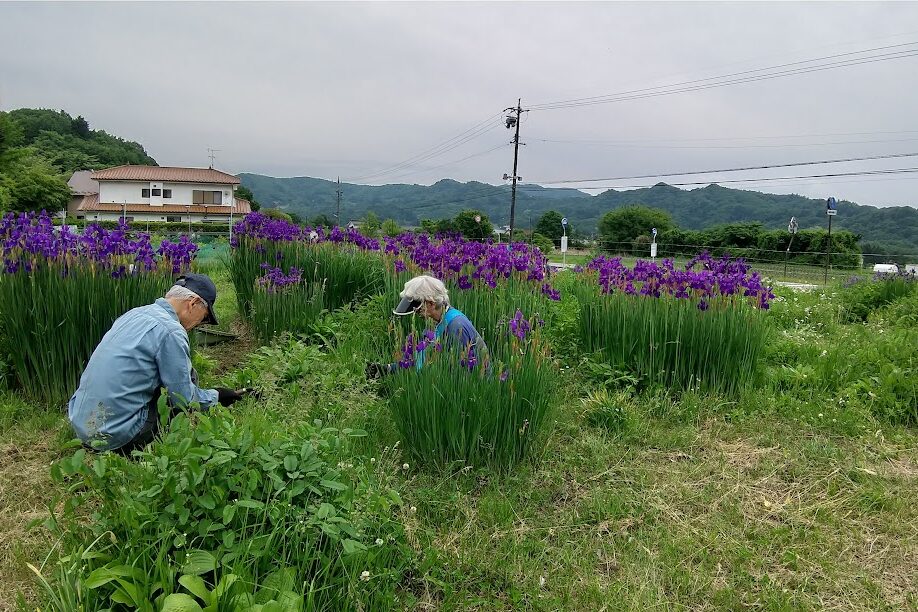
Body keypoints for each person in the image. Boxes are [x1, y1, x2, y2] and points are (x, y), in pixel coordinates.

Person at [68, 273, 249, 454]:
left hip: (83, 427)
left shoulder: (133, 314)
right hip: (115, 436)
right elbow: (183, 398)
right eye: (205, 318)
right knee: (181, 390)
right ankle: (150, 450)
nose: (200, 324)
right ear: (193, 303)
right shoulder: (171, 331)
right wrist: (217, 396)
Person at [366, 275, 489, 378]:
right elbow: (423, 358)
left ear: (431, 303)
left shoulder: (456, 326)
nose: (415, 311)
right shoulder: (435, 322)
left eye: (417, 306)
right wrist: (388, 369)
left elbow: (459, 373)